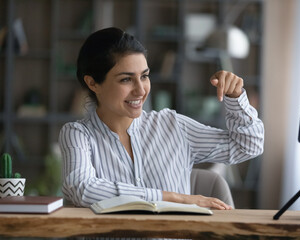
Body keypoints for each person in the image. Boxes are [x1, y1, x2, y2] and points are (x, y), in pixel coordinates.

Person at [59, 27, 264, 210]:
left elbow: (249, 145)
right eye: (126, 79)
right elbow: (83, 188)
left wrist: (235, 97)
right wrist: (175, 198)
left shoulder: (173, 126)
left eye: (145, 76)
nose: (140, 90)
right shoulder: (78, 134)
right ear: (93, 83)